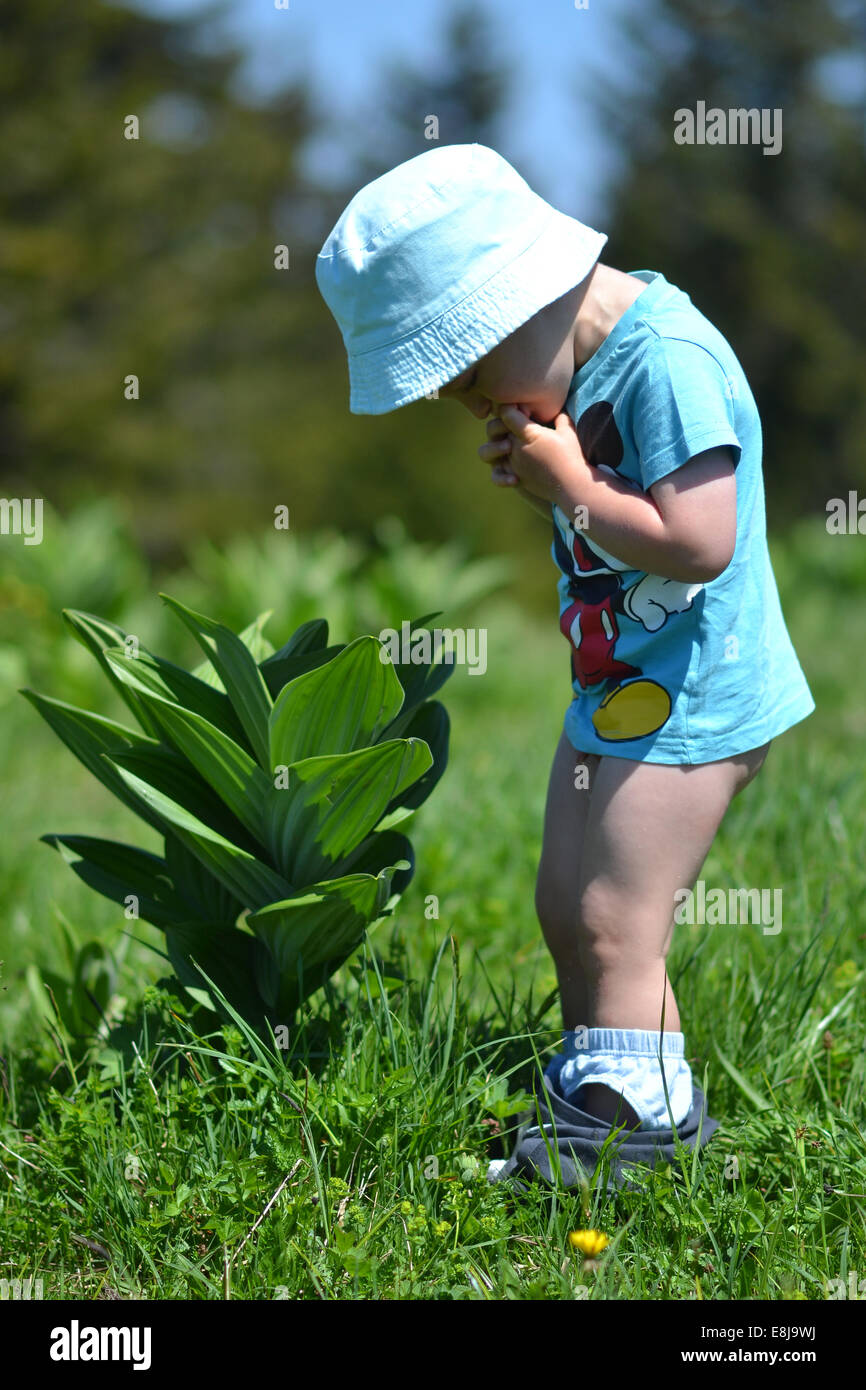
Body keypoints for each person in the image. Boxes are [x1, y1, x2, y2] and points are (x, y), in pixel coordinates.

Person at [315, 143, 815, 1186]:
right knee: (565, 904)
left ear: (509, 305)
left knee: (614, 918)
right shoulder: (579, 367)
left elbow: (700, 540)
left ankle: (614, 1143)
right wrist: (559, 481)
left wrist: (571, 488)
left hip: (694, 696)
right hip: (619, 693)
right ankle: (631, 1095)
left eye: (462, 375)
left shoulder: (665, 361)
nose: (466, 407)